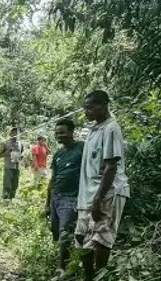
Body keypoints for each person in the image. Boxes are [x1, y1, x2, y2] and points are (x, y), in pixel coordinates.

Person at [75, 90, 130, 281]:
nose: (86, 111)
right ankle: (89, 277)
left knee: (101, 240)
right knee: (82, 238)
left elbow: (111, 167)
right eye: (85, 108)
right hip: (89, 195)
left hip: (108, 193)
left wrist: (98, 198)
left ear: (104, 105)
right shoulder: (94, 130)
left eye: (90, 107)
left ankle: (99, 277)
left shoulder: (111, 128)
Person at [45, 118, 84, 271]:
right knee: (57, 232)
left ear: (71, 132)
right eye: (56, 133)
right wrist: (47, 203)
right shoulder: (58, 154)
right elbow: (53, 178)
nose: (59, 135)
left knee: (65, 233)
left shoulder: (82, 148)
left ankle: (62, 267)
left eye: (62, 132)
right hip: (56, 196)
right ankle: (65, 263)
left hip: (71, 197)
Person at [0, 127, 24, 200]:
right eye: (13, 132)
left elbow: (21, 153)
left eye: (17, 133)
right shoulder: (5, 143)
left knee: (15, 186)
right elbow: (0, 155)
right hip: (8, 167)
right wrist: (8, 152)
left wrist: (21, 157)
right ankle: (5, 201)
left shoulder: (20, 144)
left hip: (17, 167)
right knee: (7, 186)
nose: (15, 134)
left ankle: (11, 201)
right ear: (10, 134)